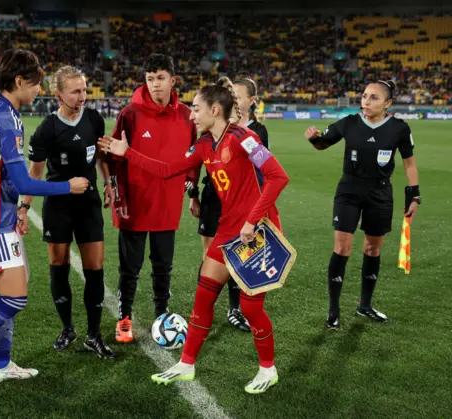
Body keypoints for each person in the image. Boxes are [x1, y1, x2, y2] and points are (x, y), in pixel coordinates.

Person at [99, 83, 289, 394]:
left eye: (196, 109)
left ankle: (268, 370)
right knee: (203, 298)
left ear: (215, 110)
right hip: (228, 229)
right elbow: (167, 170)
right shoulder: (203, 145)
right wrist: (127, 152)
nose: (192, 116)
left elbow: (278, 176)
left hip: (258, 233)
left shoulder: (245, 138)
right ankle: (186, 364)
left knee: (251, 309)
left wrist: (253, 221)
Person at [0, 49, 89, 389]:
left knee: (15, 290)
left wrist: (19, 210)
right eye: (36, 84)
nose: (39, 90)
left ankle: (1, 363)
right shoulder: (6, 121)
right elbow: (23, 181)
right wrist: (69, 185)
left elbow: (2, 172)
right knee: (14, 298)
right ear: (20, 82)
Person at [304, 80, 421, 329]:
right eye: (365, 96)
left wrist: (414, 196)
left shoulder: (399, 128)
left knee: (372, 249)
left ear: (387, 103)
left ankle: (365, 305)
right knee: (342, 248)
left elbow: (409, 163)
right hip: (349, 191)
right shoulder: (350, 122)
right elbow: (323, 143)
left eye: (374, 98)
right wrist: (314, 138)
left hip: (380, 194)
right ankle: (333, 311)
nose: (366, 101)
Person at [22, 66, 115, 358]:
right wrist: (24, 208)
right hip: (58, 206)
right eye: (76, 91)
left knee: (95, 268)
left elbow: (101, 155)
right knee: (59, 263)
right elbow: (34, 174)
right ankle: (67, 328)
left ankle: (94, 335)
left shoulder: (94, 119)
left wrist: (109, 183)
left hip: (88, 204)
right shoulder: (46, 129)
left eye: (84, 90)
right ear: (58, 94)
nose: (82, 96)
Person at [108, 53, 198, 343]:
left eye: (160, 78)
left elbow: (194, 157)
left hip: (167, 206)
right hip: (134, 203)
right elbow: (114, 159)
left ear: (173, 80)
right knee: (129, 268)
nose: (155, 84)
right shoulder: (129, 114)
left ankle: (162, 315)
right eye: (150, 79)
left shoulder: (187, 116)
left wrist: (192, 189)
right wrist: (118, 196)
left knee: (163, 267)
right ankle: (124, 318)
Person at [187, 76, 269, 333]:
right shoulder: (206, 136)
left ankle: (235, 309)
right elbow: (184, 164)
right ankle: (204, 308)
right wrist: (193, 192)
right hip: (214, 197)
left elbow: (271, 174)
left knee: (240, 260)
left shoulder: (249, 135)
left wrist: (254, 212)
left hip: (242, 207)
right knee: (211, 254)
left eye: (236, 93)